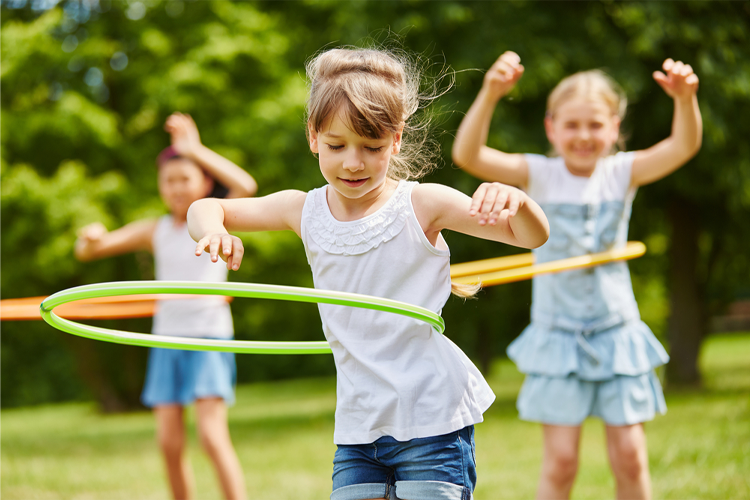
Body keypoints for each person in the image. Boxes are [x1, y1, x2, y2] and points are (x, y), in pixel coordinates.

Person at [187, 46, 549, 500]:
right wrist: (214, 230)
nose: (353, 162)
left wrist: (519, 200)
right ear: (313, 136)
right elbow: (204, 206)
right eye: (337, 146)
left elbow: (529, 237)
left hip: (431, 419)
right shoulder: (302, 209)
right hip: (358, 428)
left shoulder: (423, 204)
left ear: (396, 140)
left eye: (371, 147)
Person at [452, 51, 702, 500]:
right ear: (551, 128)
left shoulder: (621, 172)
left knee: (630, 456)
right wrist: (491, 93)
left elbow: (682, 147)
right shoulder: (538, 174)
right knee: (562, 461)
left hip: (616, 332)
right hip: (557, 336)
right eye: (571, 125)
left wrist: (685, 100)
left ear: (614, 130)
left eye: (595, 125)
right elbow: (468, 155)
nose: (583, 135)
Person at [75, 112, 257, 500]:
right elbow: (91, 250)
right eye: (169, 181)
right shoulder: (154, 230)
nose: (176, 188)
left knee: (211, 437)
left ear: (205, 183)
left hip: (209, 338)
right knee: (169, 444)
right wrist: (89, 238)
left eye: (185, 179)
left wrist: (194, 149)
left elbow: (246, 184)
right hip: (167, 340)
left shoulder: (216, 218)